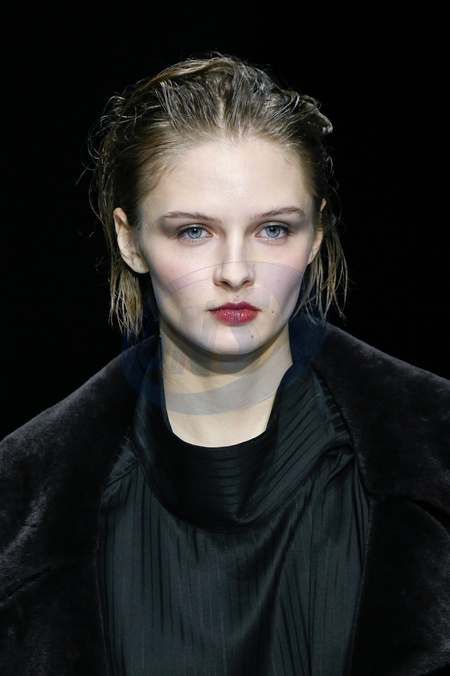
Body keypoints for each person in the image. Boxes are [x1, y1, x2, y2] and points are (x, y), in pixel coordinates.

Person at [1, 52, 449, 676]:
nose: (235, 271)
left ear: (317, 235)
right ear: (130, 239)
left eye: (273, 229)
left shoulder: (435, 449)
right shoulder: (22, 493)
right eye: (194, 231)